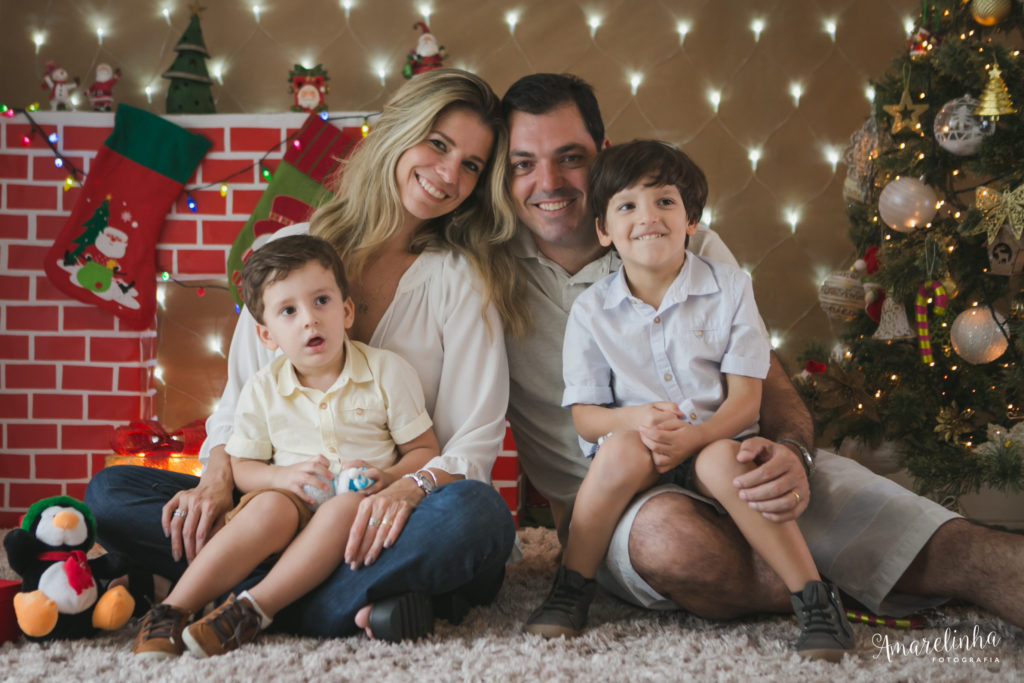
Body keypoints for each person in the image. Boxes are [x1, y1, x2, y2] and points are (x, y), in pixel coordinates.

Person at [502, 73, 1024, 629]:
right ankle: (836, 590)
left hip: (731, 449)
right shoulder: (485, 266)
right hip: (621, 503)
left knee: (956, 546)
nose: (548, 182)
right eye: (522, 163)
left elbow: (760, 378)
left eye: (570, 157)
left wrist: (792, 455)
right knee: (677, 543)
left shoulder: (689, 244)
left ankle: (899, 576)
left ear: (604, 154)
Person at [87, 68, 524, 643]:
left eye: (471, 165)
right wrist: (217, 478)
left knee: (479, 516)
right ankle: (340, 600)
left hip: (392, 514)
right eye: (438, 144)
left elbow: (473, 442)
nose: (448, 174)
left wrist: (401, 489)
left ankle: (274, 601)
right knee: (111, 493)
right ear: (398, 132)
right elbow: (239, 403)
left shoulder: (460, 280)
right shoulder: (281, 254)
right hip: (279, 508)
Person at [523, 140, 854, 659]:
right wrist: (637, 419)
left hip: (713, 439)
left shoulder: (730, 288)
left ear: (692, 218)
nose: (647, 216)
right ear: (605, 231)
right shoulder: (592, 310)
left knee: (728, 461)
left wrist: (697, 437)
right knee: (617, 451)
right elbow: (586, 419)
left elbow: (746, 402)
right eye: (627, 205)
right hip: (640, 451)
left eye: (665, 201)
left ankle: (812, 597)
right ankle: (571, 587)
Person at [131, 235, 443, 657]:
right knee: (266, 504)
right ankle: (172, 609)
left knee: (422, 511)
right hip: (285, 514)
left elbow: (425, 452)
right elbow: (241, 466)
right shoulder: (263, 389)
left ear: (346, 310)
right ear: (267, 335)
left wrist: (386, 478)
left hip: (360, 517)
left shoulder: (387, 372)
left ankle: (251, 610)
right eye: (289, 311)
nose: (309, 321)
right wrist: (283, 477)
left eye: (321, 302)